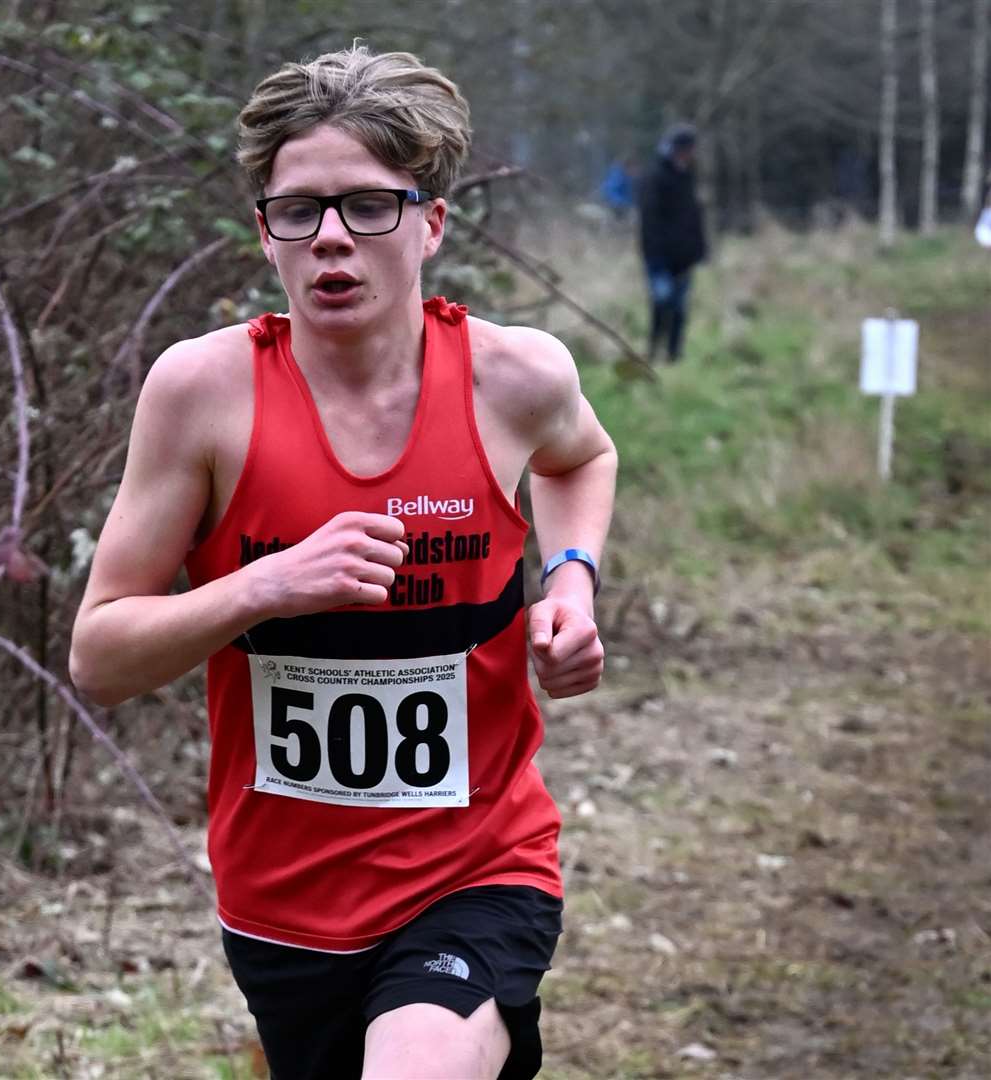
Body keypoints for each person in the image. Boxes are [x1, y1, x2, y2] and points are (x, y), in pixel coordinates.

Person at [69, 46, 617, 1080]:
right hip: (281, 897)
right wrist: (262, 585)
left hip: (477, 868)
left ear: (431, 225)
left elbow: (581, 456)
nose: (331, 238)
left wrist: (570, 578)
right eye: (299, 210)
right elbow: (100, 655)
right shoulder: (201, 395)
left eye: (369, 207)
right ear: (264, 233)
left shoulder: (515, 378)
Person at [638, 122, 707, 362]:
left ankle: (674, 355)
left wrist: (699, 250)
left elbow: (695, 215)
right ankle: (653, 349)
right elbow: (649, 219)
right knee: (662, 301)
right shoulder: (655, 176)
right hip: (659, 257)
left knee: (679, 308)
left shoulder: (689, 176)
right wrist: (654, 253)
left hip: (684, 258)